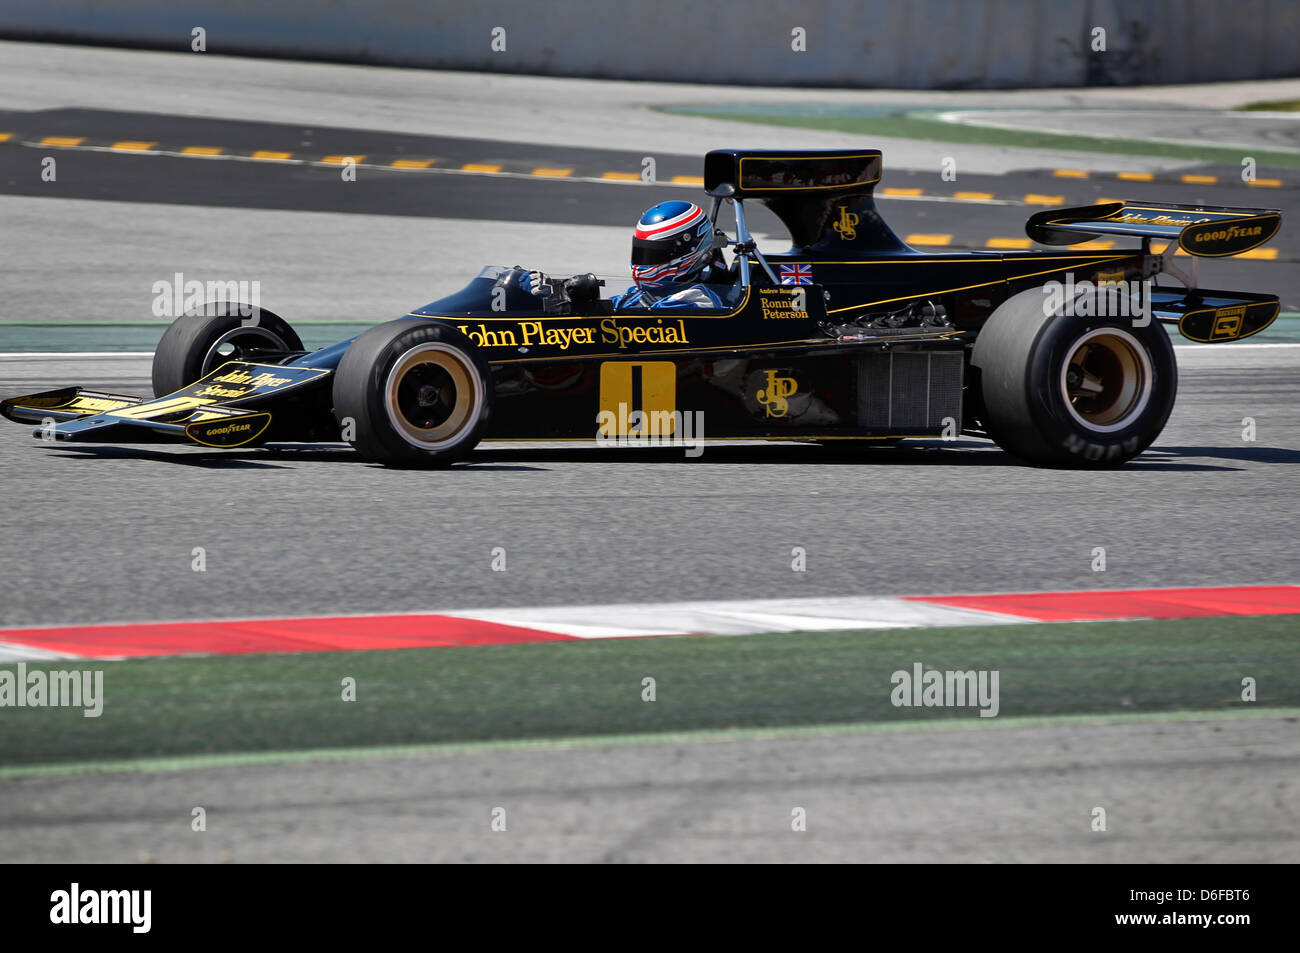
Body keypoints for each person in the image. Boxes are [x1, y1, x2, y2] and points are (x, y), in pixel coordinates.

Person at [520, 201, 732, 311]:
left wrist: (571, 306)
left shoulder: (698, 300)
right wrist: (558, 292)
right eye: (642, 251)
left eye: (654, 253)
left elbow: (642, 326)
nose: (644, 260)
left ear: (689, 253)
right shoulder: (644, 294)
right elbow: (615, 306)